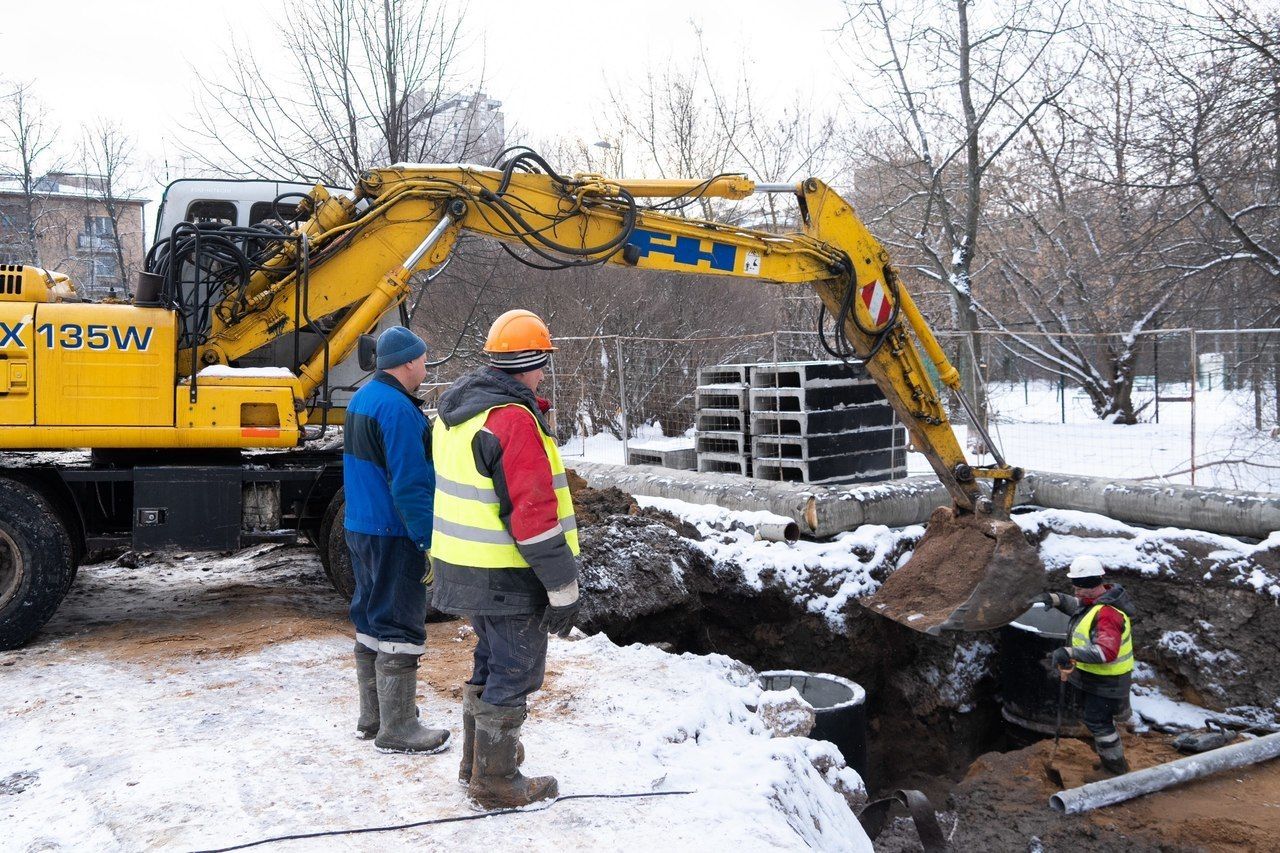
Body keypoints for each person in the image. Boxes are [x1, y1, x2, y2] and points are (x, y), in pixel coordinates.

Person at [430, 309, 581, 809]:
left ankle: (475, 765)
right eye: (542, 363)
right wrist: (563, 588)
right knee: (515, 671)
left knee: (492, 661)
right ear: (533, 360)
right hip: (506, 575)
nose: (543, 373)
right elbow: (534, 516)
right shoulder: (511, 419)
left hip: (464, 570)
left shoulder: (455, 413)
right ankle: (496, 784)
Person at [343, 325, 450, 755]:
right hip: (392, 531)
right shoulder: (400, 411)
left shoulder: (364, 398)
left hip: (361, 527)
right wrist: (427, 541)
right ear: (407, 362)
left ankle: (374, 717)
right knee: (400, 624)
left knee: (370, 617)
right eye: (422, 359)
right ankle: (399, 728)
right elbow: (410, 484)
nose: (425, 365)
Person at [1032, 555, 1136, 775]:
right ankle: (1111, 760)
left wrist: (1069, 652)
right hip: (1097, 678)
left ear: (1092, 585)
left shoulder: (1108, 614)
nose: (1075, 591)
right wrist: (1056, 598)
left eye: (1079, 587)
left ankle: (1115, 769)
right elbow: (1078, 606)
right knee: (1095, 719)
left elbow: (1105, 651)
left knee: (1099, 722)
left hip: (1109, 681)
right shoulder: (1095, 603)